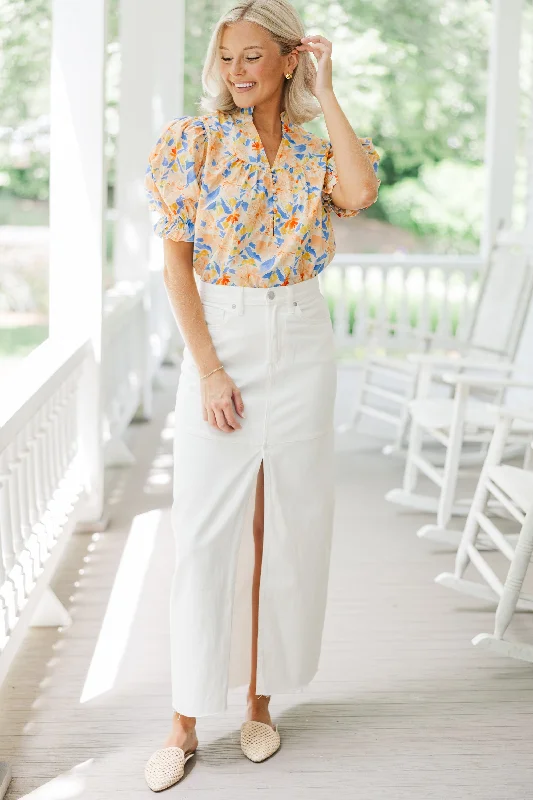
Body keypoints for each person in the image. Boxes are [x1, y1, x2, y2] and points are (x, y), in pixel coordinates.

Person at [143, 0, 380, 791]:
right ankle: (182, 720)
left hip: (302, 335)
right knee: (207, 532)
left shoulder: (315, 149)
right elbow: (176, 266)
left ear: (286, 59)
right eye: (228, 58)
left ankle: (259, 702)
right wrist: (209, 370)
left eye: (254, 56)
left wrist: (328, 89)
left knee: (286, 527)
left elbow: (360, 189)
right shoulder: (196, 142)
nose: (237, 72)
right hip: (226, 332)